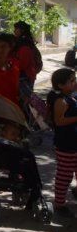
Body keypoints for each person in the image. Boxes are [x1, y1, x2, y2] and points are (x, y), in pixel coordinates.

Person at [46, 68, 77, 218]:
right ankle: (59, 204)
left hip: (73, 142)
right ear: (60, 85)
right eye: (71, 81)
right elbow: (59, 121)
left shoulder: (69, 96)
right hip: (66, 144)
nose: (75, 82)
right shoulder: (60, 101)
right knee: (65, 175)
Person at [13, 21, 39, 101]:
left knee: (23, 102)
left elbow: (22, 65)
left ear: (22, 30)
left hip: (25, 78)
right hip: (26, 76)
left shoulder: (24, 44)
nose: (14, 31)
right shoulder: (23, 41)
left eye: (16, 29)